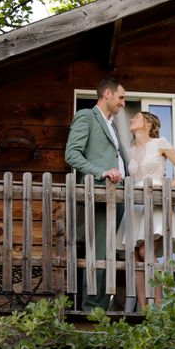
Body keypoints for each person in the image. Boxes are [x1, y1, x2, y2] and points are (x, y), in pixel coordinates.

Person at [116, 111, 175, 311]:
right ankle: (143, 308)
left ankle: (158, 305)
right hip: (136, 203)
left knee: (145, 250)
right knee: (134, 254)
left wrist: (167, 186)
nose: (132, 119)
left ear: (149, 124)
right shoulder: (129, 150)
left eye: (137, 117)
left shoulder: (160, 144)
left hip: (156, 200)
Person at [64, 77, 127, 311]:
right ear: (107, 94)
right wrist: (102, 172)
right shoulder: (86, 117)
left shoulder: (113, 125)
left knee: (111, 252)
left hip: (120, 195)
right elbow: (72, 154)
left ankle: (103, 306)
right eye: (121, 97)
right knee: (99, 251)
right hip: (100, 193)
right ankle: (91, 308)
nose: (123, 102)